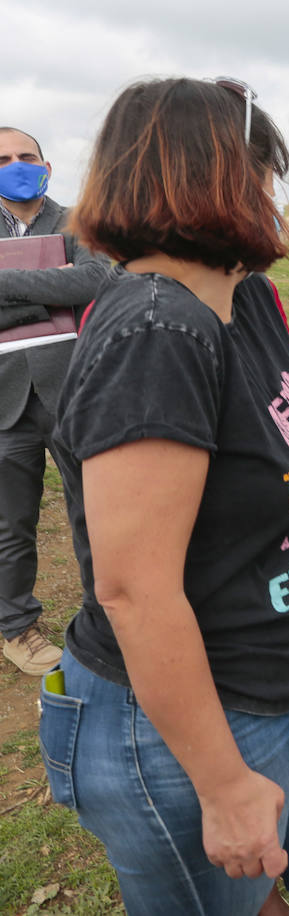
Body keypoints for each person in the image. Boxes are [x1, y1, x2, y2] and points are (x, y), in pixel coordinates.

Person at [37, 78, 289, 915]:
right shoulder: (157, 334)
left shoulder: (249, 300)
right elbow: (134, 587)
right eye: (265, 170)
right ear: (216, 179)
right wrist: (223, 784)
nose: (275, 193)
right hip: (188, 720)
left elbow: (284, 495)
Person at [0, 126, 109, 675]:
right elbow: (66, 287)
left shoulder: (80, 222)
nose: (16, 165)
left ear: (47, 164)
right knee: (9, 522)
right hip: (4, 401)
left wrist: (6, 283)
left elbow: (94, 281)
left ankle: (107, 613)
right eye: (3, 158)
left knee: (95, 510)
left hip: (75, 389)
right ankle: (17, 628)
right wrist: (48, 289)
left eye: (26, 156)